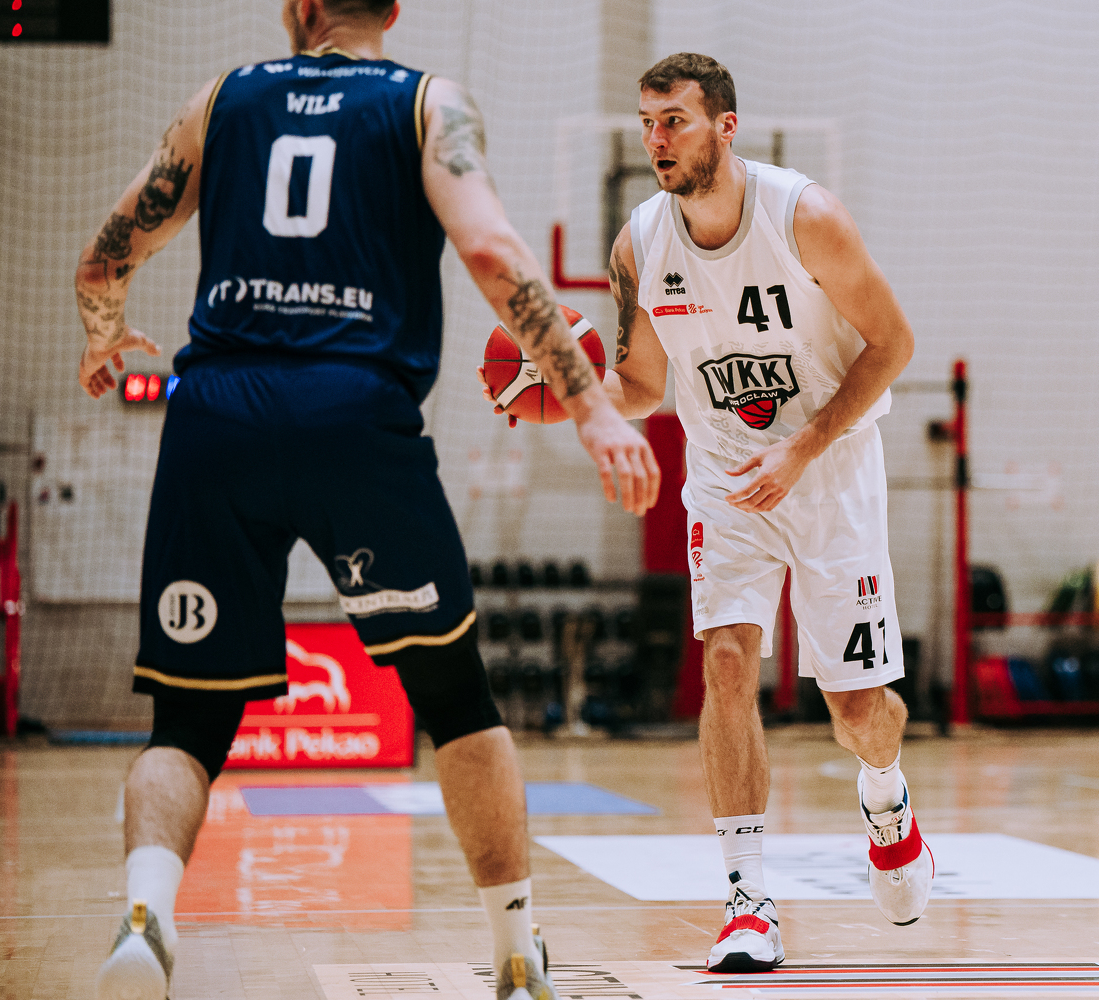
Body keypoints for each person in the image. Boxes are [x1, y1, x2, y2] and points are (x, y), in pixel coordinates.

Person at [73, 3, 659, 999]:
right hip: (354, 415)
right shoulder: (430, 105)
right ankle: (516, 947)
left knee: (187, 724)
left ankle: (145, 919)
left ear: (299, 7)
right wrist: (593, 406)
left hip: (217, 417)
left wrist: (102, 330)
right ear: (391, 8)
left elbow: (105, 254)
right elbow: (490, 250)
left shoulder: (222, 100)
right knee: (457, 701)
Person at [604, 52, 929, 972]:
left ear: (725, 125)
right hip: (724, 478)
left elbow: (892, 343)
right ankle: (746, 899)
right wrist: (562, 398)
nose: (656, 140)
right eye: (647, 123)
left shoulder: (804, 216)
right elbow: (639, 385)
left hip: (830, 469)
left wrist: (801, 447)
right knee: (726, 662)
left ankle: (885, 795)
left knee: (856, 709)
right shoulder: (637, 244)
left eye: (673, 120)